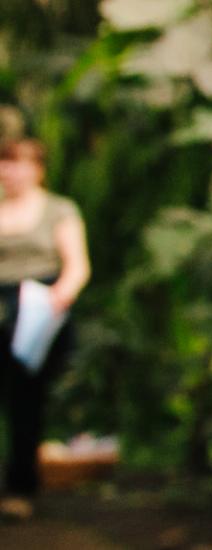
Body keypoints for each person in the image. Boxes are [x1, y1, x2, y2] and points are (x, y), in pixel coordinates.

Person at [0, 137, 91, 519]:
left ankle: (20, 488)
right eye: (4, 163)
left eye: (17, 163)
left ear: (37, 168)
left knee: (25, 399)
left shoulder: (58, 210)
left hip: (37, 310)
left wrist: (57, 300)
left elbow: (77, 265)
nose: (9, 171)